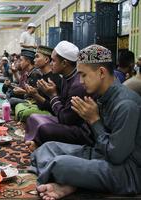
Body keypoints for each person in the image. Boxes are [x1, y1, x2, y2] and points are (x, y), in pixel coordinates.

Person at [31, 44, 141, 200]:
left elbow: (116, 156)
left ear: (101, 72)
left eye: (83, 75)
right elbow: (98, 145)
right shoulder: (102, 95)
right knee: (48, 148)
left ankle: (70, 182)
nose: (81, 81)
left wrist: (94, 120)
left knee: (60, 164)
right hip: (101, 154)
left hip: (127, 171)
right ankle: (73, 182)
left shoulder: (126, 105)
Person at [25, 41, 93, 151]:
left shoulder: (77, 85)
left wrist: (52, 95)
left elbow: (65, 119)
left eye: (53, 60)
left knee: (45, 129)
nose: (50, 63)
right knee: (34, 118)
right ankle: (37, 143)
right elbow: (61, 107)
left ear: (65, 63)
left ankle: (37, 145)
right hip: (65, 120)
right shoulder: (66, 77)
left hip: (80, 129)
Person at [15, 46, 62, 122]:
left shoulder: (54, 79)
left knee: (25, 113)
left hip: (51, 113)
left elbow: (54, 108)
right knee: (18, 105)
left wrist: (35, 95)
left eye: (37, 57)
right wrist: (33, 93)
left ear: (46, 60)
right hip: (39, 107)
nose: (34, 60)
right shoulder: (42, 76)